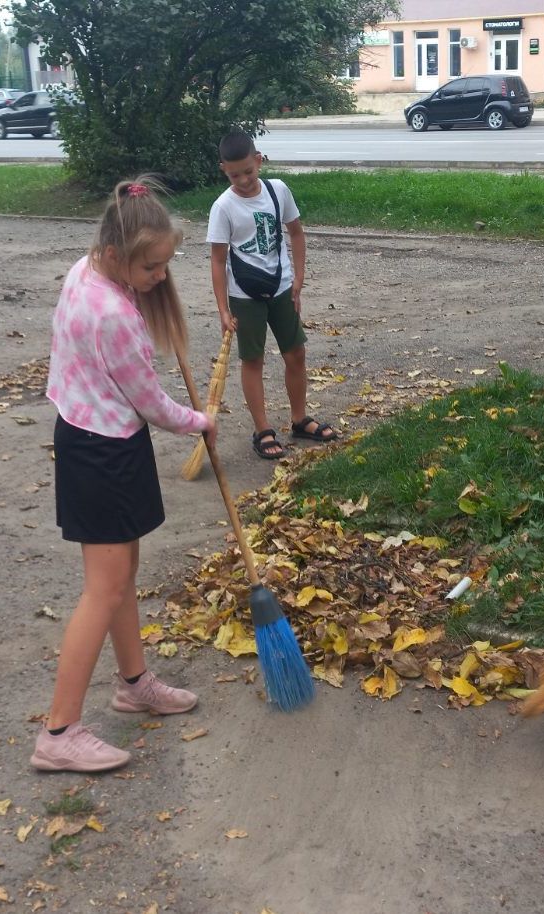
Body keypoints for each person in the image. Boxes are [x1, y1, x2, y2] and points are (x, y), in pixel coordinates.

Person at [32, 176, 216, 773]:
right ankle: (58, 732)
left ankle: (134, 683)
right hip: (102, 450)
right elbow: (150, 403)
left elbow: (128, 389)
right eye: (151, 268)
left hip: (92, 435)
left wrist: (149, 287)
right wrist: (200, 422)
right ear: (116, 255)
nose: (161, 277)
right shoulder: (113, 313)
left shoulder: (83, 270)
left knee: (121, 575)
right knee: (103, 589)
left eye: (165, 264)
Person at [207, 130, 337, 459]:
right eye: (234, 174)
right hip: (244, 297)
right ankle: (262, 429)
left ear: (258, 160)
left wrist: (298, 280)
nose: (244, 180)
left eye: (248, 171)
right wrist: (223, 309)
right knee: (253, 360)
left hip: (281, 288)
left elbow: (295, 233)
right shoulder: (223, 207)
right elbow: (218, 260)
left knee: (296, 353)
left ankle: (299, 418)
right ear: (223, 169)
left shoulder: (278, 191)